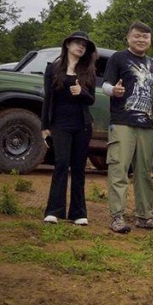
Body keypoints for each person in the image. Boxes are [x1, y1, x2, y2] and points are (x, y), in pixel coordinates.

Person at [102, 21, 153, 234]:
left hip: (146, 125)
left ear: (150, 40)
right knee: (119, 169)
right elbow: (104, 85)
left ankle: (145, 215)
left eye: (145, 37)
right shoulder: (118, 58)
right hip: (122, 122)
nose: (141, 40)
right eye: (137, 36)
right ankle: (117, 216)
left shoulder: (151, 63)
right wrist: (114, 90)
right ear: (128, 37)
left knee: (144, 173)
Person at [41, 31, 98, 226]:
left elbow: (92, 100)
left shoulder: (88, 70)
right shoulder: (53, 69)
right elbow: (47, 99)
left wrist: (82, 91)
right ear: (67, 45)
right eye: (77, 43)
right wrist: (45, 126)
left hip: (82, 125)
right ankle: (54, 211)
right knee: (61, 164)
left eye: (84, 45)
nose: (81, 47)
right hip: (60, 124)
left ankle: (78, 213)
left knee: (79, 168)